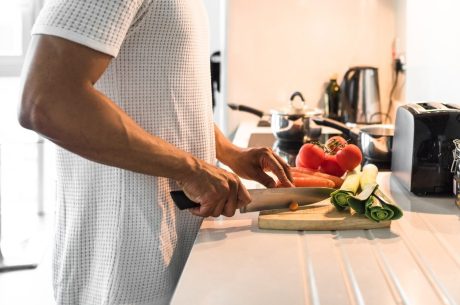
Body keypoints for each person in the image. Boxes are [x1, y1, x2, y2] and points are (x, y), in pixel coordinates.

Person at [18, 1, 293, 304]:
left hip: (169, 251)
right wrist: (191, 169)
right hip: (122, 267)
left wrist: (229, 152)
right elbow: (47, 100)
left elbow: (163, 93)